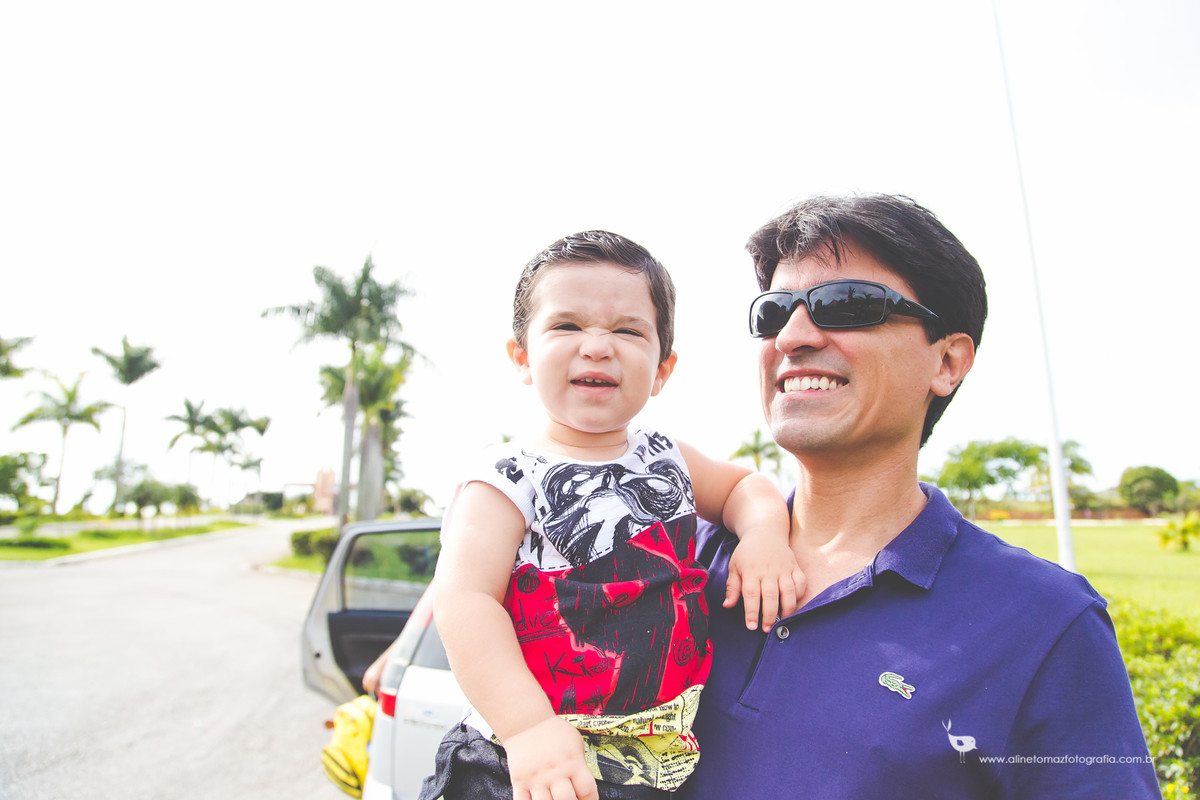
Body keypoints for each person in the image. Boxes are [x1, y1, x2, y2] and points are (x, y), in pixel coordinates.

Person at [674, 193, 1161, 799]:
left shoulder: (1044, 621)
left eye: (845, 304)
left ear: (948, 361)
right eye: (773, 313)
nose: (792, 336)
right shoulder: (672, 559)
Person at [417, 231, 804, 800]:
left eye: (627, 331)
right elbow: (464, 603)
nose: (597, 347)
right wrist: (526, 727)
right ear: (521, 357)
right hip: (523, 763)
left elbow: (746, 485)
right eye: (566, 325)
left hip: (653, 765)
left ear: (663, 369)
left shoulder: (667, 457)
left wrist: (765, 534)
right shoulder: (505, 480)